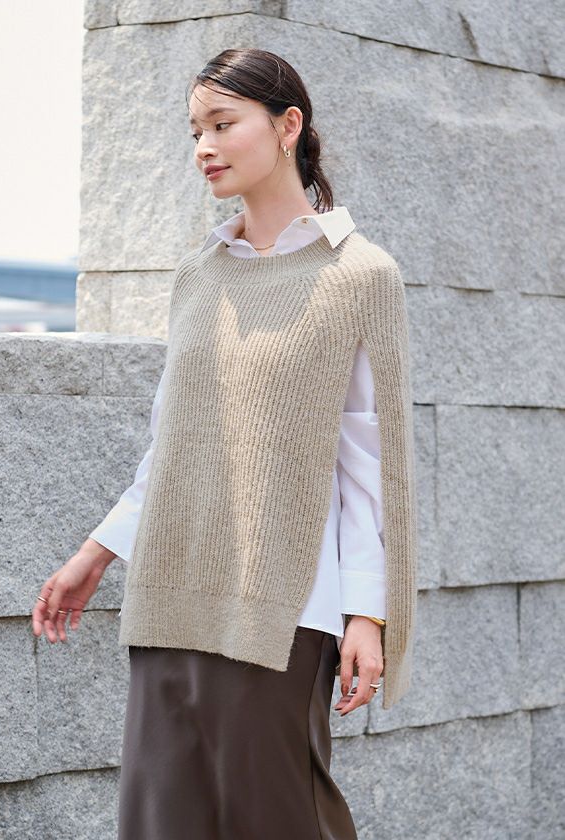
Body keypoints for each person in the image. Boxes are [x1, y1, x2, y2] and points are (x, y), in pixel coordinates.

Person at [32, 47, 418, 840]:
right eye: (194, 131)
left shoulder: (359, 275)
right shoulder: (199, 274)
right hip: (172, 593)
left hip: (283, 607)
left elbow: (370, 467)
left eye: (221, 124)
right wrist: (94, 554)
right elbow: (175, 445)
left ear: (287, 126)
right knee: (161, 822)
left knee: (279, 819)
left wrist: (366, 616)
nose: (203, 147)